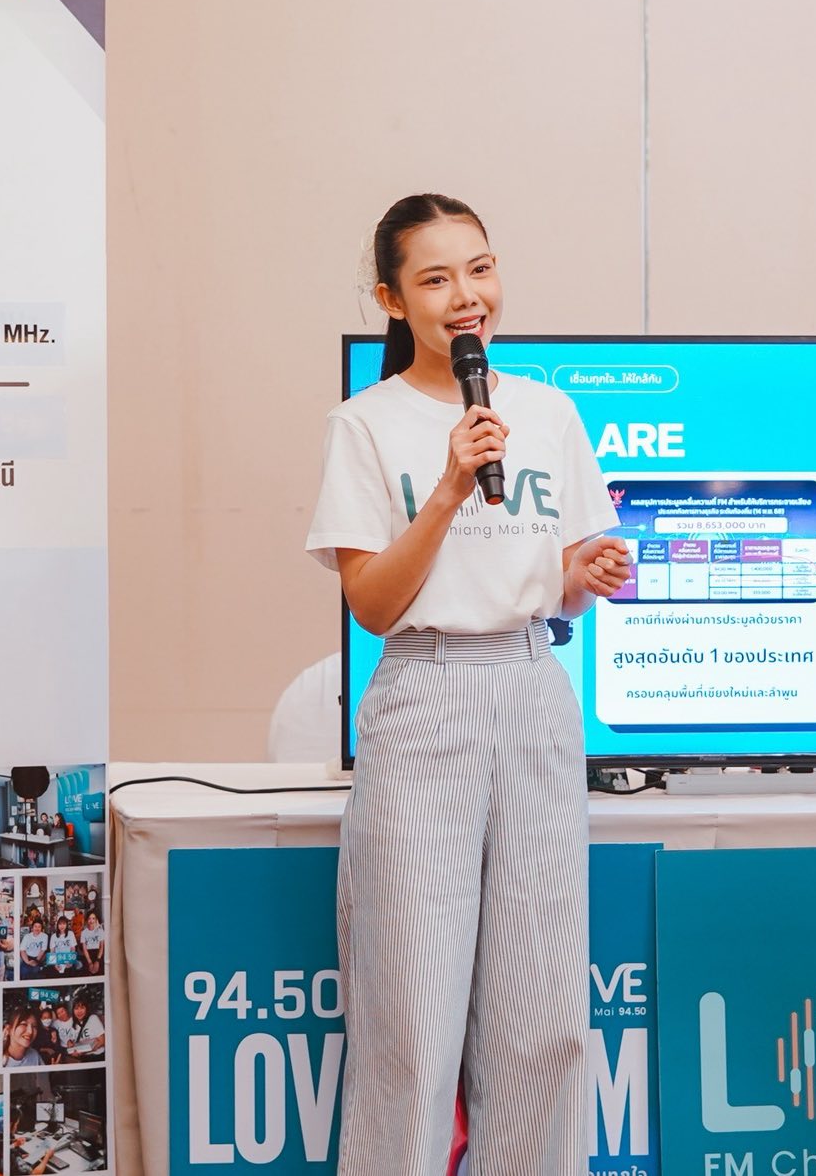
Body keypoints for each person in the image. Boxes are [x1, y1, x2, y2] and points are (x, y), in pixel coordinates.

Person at [305, 194, 629, 1174]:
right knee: (411, 1025)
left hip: (532, 686)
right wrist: (449, 488)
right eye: (436, 278)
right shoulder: (366, 423)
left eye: (479, 269)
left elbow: (556, 579)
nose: (466, 296)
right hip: (425, 694)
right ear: (391, 299)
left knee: (544, 1022)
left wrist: (587, 574)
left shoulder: (548, 411)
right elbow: (373, 602)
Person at [64, 995, 105, 1060]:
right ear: (73, 1010)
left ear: (86, 1009)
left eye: (82, 1008)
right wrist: (69, 1043)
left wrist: (83, 1052)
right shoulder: (74, 1024)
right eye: (76, 1008)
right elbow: (74, 1042)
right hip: (82, 1058)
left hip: (96, 1057)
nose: (79, 1011)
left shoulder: (93, 1018)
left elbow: (102, 1041)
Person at [77, 909, 106, 977]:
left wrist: (97, 961)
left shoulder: (100, 931)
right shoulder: (84, 933)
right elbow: (84, 949)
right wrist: (90, 962)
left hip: (98, 954)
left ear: (96, 920)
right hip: (88, 955)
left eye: (93, 918)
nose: (91, 921)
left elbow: (101, 947)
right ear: (87, 920)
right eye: (89, 918)